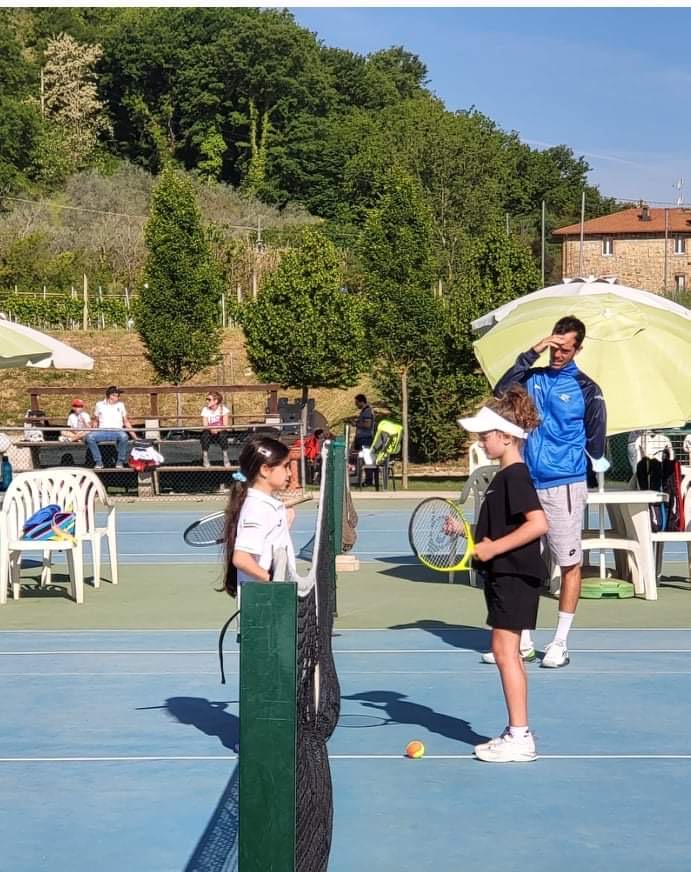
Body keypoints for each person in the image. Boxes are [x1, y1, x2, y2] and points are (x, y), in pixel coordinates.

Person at [491, 315, 607, 669]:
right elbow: (500, 391)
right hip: (528, 482)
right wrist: (533, 351)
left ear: (578, 349)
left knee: (568, 562)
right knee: (524, 560)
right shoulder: (533, 378)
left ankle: (560, 642)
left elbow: (596, 443)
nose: (558, 354)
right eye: (554, 347)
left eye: (565, 349)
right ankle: (523, 640)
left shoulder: (588, 390)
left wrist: (576, 470)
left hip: (564, 484)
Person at [457, 387, 548, 763]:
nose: (481, 441)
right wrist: (467, 533)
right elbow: (500, 527)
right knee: (506, 652)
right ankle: (517, 731)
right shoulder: (502, 476)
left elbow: (538, 524)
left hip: (515, 576)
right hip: (505, 575)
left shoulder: (515, 476)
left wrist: (494, 549)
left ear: (507, 436)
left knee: (505, 652)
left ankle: (520, 736)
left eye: (486, 435)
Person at [221, 437, 296, 598]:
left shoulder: (267, 504)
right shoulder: (258, 508)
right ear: (265, 470)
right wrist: (274, 583)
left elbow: (268, 541)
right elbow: (241, 558)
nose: (290, 473)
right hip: (263, 601)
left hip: (269, 599)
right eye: (285, 466)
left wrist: (285, 522)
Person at [85, 385, 137, 470]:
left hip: (117, 431)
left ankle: (120, 462)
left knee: (124, 436)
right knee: (90, 437)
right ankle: (98, 462)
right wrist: (92, 430)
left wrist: (135, 437)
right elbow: (96, 421)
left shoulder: (121, 405)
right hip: (102, 431)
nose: (118, 398)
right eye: (116, 395)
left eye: (118, 396)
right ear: (110, 396)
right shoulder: (99, 404)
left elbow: (126, 421)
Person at [200, 390, 230, 468]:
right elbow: (205, 424)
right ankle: (205, 456)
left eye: (209, 399)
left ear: (215, 401)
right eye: (207, 399)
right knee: (205, 434)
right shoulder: (205, 409)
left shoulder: (223, 409)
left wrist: (217, 429)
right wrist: (211, 429)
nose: (207, 401)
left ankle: (225, 456)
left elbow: (225, 425)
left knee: (223, 435)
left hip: (220, 431)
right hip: (209, 431)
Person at [352, 393, 375, 486]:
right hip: (362, 438)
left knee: (367, 459)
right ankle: (364, 479)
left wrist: (356, 424)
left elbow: (367, 424)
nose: (356, 405)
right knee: (363, 459)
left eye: (357, 403)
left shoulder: (367, 411)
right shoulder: (364, 411)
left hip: (366, 438)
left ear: (362, 402)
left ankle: (369, 480)